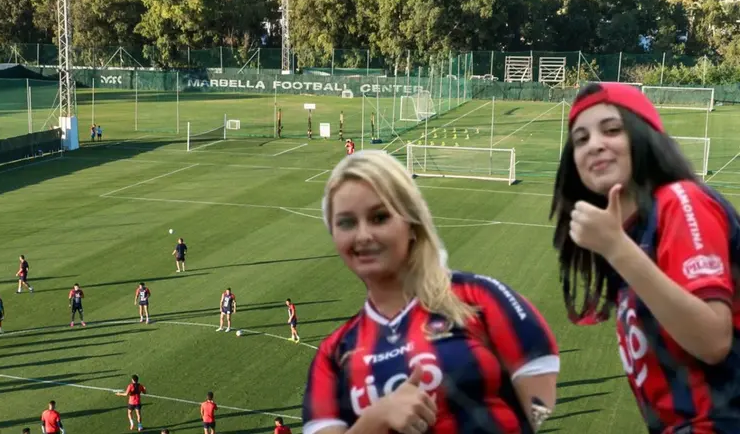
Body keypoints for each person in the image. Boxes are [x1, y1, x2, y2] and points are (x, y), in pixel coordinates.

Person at [303, 150, 559, 434]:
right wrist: (377, 419)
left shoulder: (478, 296)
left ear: (412, 225)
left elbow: (539, 380)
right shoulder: (333, 353)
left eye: (379, 217)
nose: (363, 236)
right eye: (346, 222)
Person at [552, 82, 740, 432]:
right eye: (580, 139)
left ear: (644, 137)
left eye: (612, 129)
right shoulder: (637, 235)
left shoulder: (681, 201)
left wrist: (616, 248)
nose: (594, 144)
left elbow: (713, 341)